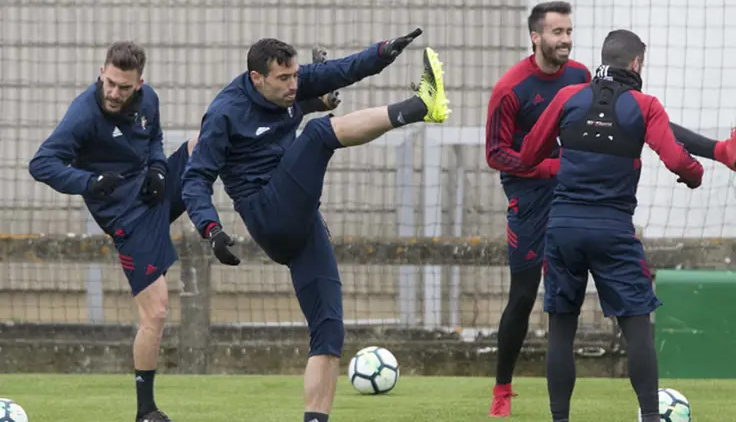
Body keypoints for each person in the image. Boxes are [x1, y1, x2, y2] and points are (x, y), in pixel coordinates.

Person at [485, 1, 736, 418]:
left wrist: (575, 159)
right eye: (557, 32)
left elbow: (542, 145)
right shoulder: (511, 88)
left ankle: (559, 416)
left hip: (564, 213)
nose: (565, 39)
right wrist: (569, 162)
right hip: (545, 202)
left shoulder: (573, 86)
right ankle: (504, 390)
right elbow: (503, 156)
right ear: (536, 37)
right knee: (528, 299)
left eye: (569, 32)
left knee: (561, 324)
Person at [180, 30, 449, 422]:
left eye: (296, 77)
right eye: (284, 79)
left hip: (301, 221)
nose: (294, 85)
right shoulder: (224, 112)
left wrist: (383, 53)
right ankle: (421, 105)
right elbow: (195, 179)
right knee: (321, 132)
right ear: (257, 78)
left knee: (328, 332)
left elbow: (343, 70)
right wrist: (211, 229)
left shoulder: (291, 87)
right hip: (268, 215)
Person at [518, 28, 708, 422]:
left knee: (561, 329)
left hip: (564, 227)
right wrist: (694, 174)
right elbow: (675, 159)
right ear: (636, 63)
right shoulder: (645, 105)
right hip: (613, 231)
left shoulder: (569, 97)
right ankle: (651, 417)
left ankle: (560, 419)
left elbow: (530, 153)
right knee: (637, 326)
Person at [28, 41, 193, 422]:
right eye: (111, 83)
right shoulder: (83, 114)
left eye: (125, 87)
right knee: (157, 310)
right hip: (128, 217)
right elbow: (42, 164)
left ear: (139, 83)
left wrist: (158, 168)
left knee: (209, 138)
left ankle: (301, 105)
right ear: (102, 73)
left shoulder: (148, 98)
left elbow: (154, 138)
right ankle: (146, 411)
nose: (115, 93)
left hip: (154, 191)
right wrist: (90, 181)